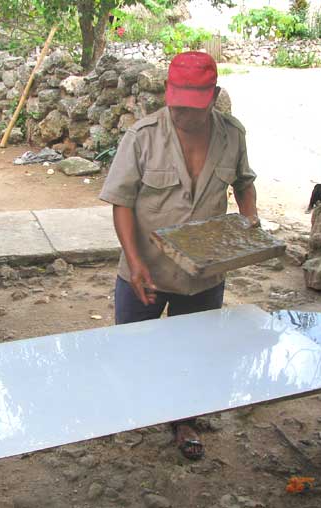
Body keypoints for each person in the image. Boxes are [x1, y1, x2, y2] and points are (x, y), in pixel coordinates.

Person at [99, 51, 258, 460]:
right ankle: (133, 408)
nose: (183, 115)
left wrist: (250, 220)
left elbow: (243, 183)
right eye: (178, 105)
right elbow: (121, 202)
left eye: (194, 107)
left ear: (214, 96)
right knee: (134, 347)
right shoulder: (142, 136)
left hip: (205, 273)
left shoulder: (232, 134)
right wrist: (134, 262)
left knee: (195, 350)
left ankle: (183, 419)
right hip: (145, 269)